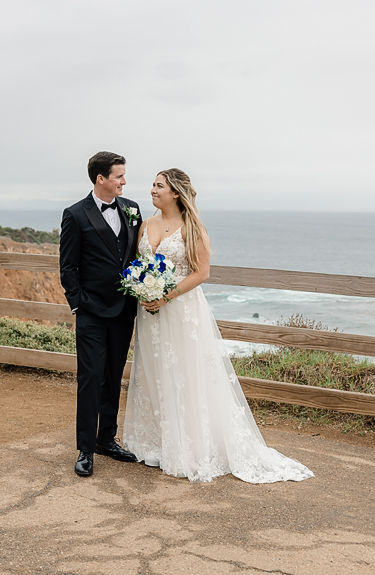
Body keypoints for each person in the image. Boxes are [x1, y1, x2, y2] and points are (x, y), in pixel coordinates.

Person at [122, 168, 314, 484]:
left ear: (175, 192)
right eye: (153, 185)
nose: (153, 190)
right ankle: (157, 442)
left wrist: (165, 295)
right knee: (155, 372)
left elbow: (202, 273)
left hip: (180, 311)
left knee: (185, 374)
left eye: (159, 186)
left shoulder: (192, 228)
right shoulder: (147, 224)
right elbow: (139, 266)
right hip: (149, 313)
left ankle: (191, 447)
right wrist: (142, 288)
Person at [60, 151, 144, 477]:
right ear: (101, 179)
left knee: (113, 376)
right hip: (92, 311)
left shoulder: (132, 209)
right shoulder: (75, 214)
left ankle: (106, 439)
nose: (124, 181)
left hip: (124, 310)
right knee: (90, 377)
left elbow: (137, 252)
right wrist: (79, 303)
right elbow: (68, 266)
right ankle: (85, 448)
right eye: (119, 176)